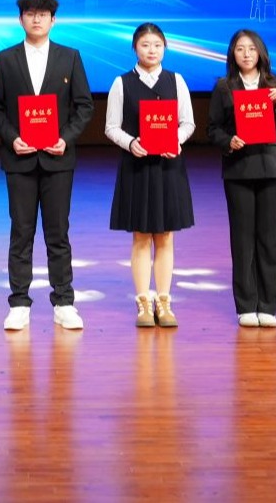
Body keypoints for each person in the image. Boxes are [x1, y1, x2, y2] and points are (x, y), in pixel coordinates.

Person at [0, 0, 94, 332]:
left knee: (58, 233)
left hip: (58, 159)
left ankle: (64, 302)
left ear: (53, 20)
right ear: (20, 19)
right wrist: (11, 138)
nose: (36, 19)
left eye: (42, 14)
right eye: (30, 13)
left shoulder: (70, 57)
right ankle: (19, 303)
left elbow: (84, 106)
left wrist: (66, 138)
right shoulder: (4, 59)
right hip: (20, 159)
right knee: (21, 232)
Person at [104, 22, 195, 329]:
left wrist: (175, 140)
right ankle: (143, 302)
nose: (151, 50)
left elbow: (188, 123)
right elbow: (111, 127)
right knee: (141, 236)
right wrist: (132, 143)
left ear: (165, 48)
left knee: (166, 236)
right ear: (135, 48)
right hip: (138, 167)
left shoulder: (176, 80)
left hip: (168, 167)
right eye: (145, 45)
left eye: (157, 45)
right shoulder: (122, 83)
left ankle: (164, 301)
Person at [206, 29, 276, 328]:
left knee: (269, 240)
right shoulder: (224, 86)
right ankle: (245, 305)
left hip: (270, 169)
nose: (246, 54)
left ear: (261, 53)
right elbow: (213, 129)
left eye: (251, 49)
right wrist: (228, 141)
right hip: (239, 169)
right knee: (242, 241)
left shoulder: (275, 85)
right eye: (240, 48)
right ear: (233, 53)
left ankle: (268, 306)